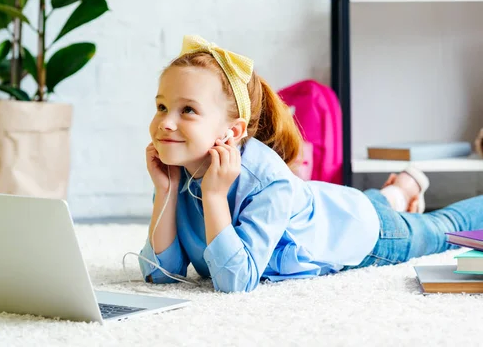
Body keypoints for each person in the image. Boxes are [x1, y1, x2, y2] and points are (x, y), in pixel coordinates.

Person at [137, 34, 483, 293]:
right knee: (338, 201)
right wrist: (165, 191)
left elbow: (235, 282)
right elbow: (160, 274)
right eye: (162, 106)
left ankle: (395, 194)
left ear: (232, 131)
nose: (165, 122)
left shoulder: (267, 182)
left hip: (365, 232)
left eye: (188, 110)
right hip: (316, 203)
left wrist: (214, 197)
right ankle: (399, 189)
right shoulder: (178, 168)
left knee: (443, 228)